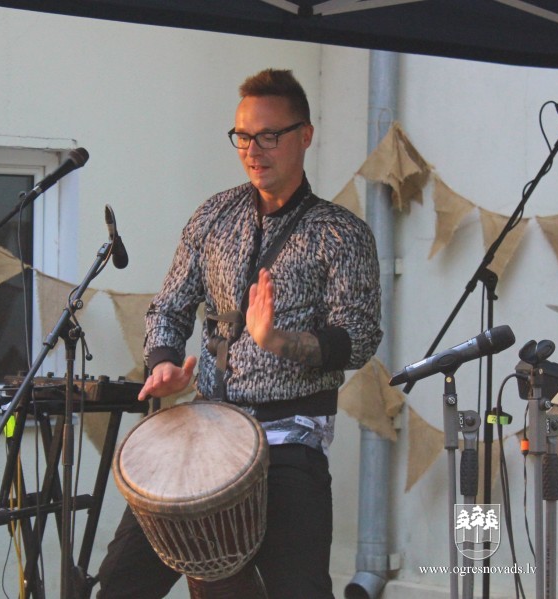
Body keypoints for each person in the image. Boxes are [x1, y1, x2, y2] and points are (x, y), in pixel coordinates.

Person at [97, 68, 382, 599]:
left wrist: (278, 341)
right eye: (243, 136)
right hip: (207, 428)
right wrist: (163, 361)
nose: (254, 150)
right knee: (120, 582)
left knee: (298, 591)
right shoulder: (213, 215)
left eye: (269, 135)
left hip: (290, 437)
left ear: (305, 135)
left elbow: (359, 336)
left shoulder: (342, 232)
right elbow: (170, 306)